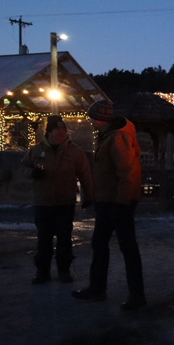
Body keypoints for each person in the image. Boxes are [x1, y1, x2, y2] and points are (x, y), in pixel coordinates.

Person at [72, 100, 146, 311]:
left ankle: (136, 295)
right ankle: (98, 288)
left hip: (117, 202)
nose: (90, 122)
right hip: (108, 201)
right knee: (101, 244)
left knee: (127, 248)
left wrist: (122, 203)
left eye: (91, 118)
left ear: (99, 119)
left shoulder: (118, 137)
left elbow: (127, 173)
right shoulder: (110, 136)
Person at [21, 115, 94, 284]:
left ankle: (64, 270)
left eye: (63, 130)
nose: (61, 133)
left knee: (64, 239)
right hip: (43, 203)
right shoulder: (36, 151)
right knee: (44, 240)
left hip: (65, 203)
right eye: (57, 130)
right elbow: (23, 167)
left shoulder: (75, 152)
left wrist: (89, 195)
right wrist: (32, 173)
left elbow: (85, 174)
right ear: (49, 132)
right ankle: (42, 271)